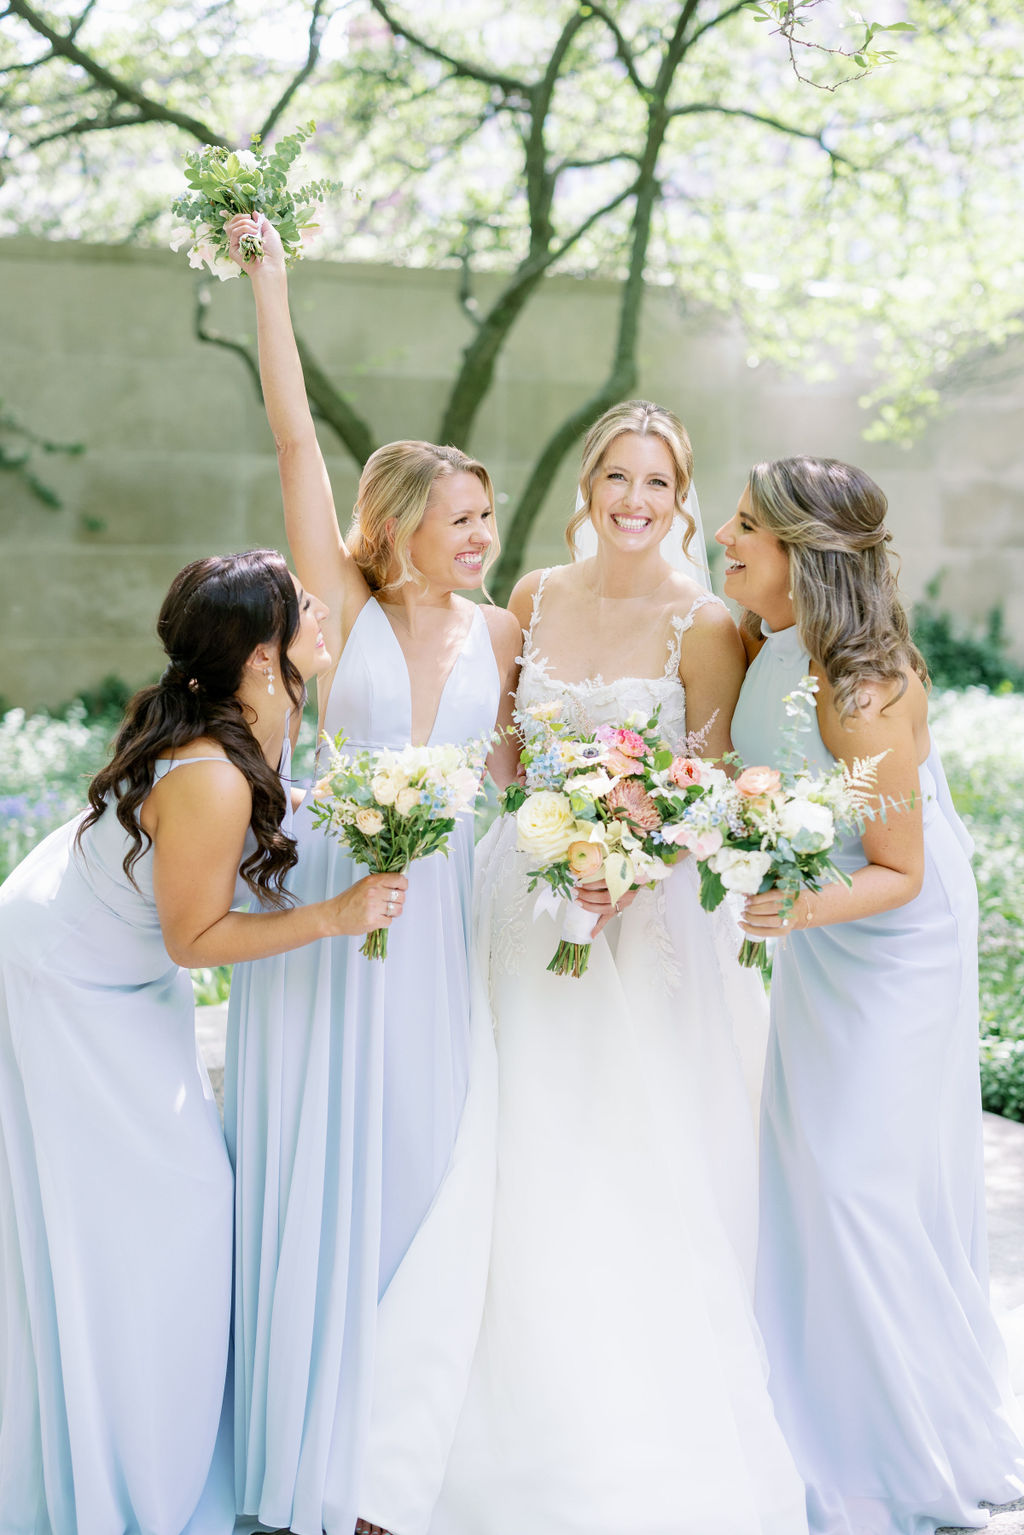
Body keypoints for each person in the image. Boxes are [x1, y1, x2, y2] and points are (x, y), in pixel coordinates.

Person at [426, 400, 808, 1535]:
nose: (634, 501)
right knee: (509, 1134)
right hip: (520, 889)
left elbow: (715, 786)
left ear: (680, 497)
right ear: (587, 483)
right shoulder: (533, 596)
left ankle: (626, 1409)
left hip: (642, 924)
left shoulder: (703, 621)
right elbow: (501, 751)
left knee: (623, 1144)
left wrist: (628, 858)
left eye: (657, 482)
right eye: (617, 477)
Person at [0, 550, 404, 1535]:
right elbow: (197, 937)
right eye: (301, 605)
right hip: (66, 985)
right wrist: (337, 912)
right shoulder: (212, 773)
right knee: (169, 1212)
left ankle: (137, 1445)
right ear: (262, 655)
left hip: (116, 973)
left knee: (160, 1213)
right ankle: (131, 1474)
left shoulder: (260, 714)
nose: (323, 605)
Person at [222, 213, 521, 1535]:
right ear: (400, 523)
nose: (481, 535)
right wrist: (269, 283)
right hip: (327, 910)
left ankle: (393, 1458)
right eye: (462, 517)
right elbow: (294, 437)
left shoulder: (508, 630)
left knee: (427, 1162)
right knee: (318, 1169)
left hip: (444, 925)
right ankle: (309, 1451)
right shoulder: (333, 596)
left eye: (489, 516)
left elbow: (523, 779)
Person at [718, 457, 1024, 1535]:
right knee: (807, 1173)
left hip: (891, 940)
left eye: (745, 525)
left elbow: (898, 868)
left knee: (857, 1181)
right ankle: (823, 1425)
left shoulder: (865, 683)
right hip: (825, 922)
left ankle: (910, 1451)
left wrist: (784, 908)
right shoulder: (762, 644)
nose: (723, 536)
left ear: (801, 550)